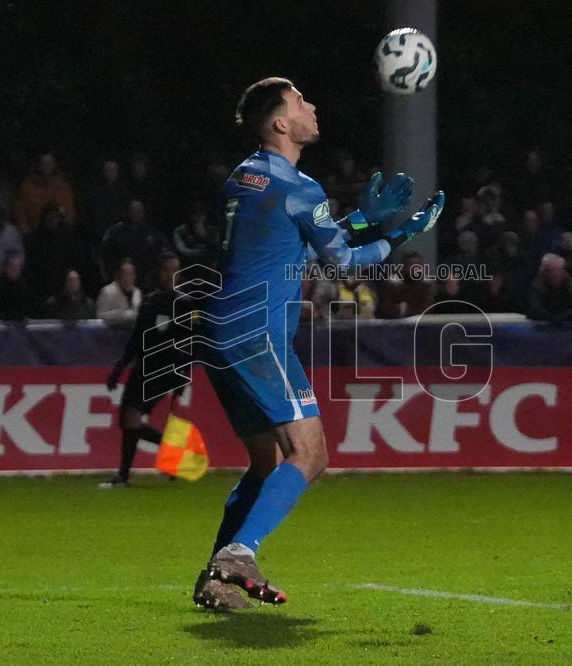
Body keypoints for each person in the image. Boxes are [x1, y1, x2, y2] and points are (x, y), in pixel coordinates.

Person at [190, 77, 439, 610]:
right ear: (281, 123)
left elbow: (295, 244)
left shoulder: (247, 177)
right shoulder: (298, 187)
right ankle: (238, 553)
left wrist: (365, 218)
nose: (312, 105)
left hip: (219, 330)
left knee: (264, 463)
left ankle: (214, 580)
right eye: (301, 101)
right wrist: (397, 236)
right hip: (258, 331)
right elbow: (342, 262)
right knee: (310, 453)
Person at [102, 253, 186, 488]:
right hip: (144, 368)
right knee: (128, 422)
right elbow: (136, 339)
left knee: (130, 419)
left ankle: (123, 476)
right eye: (167, 270)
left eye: (175, 270)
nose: (171, 275)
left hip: (164, 370)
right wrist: (118, 371)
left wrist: (182, 377)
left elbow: (187, 344)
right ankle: (171, 452)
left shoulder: (183, 305)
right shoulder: (150, 302)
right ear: (160, 273)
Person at [14, 152, 76, 235]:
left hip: (58, 231)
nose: (47, 166)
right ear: (39, 166)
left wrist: (60, 211)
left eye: (49, 163)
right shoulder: (28, 186)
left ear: (54, 164)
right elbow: (21, 208)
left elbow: (67, 209)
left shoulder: (62, 186)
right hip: (35, 232)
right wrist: (24, 226)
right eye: (44, 163)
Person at [96, 259, 142, 324]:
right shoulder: (107, 291)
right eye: (125, 274)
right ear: (119, 275)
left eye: (131, 274)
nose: (128, 277)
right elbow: (100, 316)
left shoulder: (137, 292)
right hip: (113, 331)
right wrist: (120, 314)